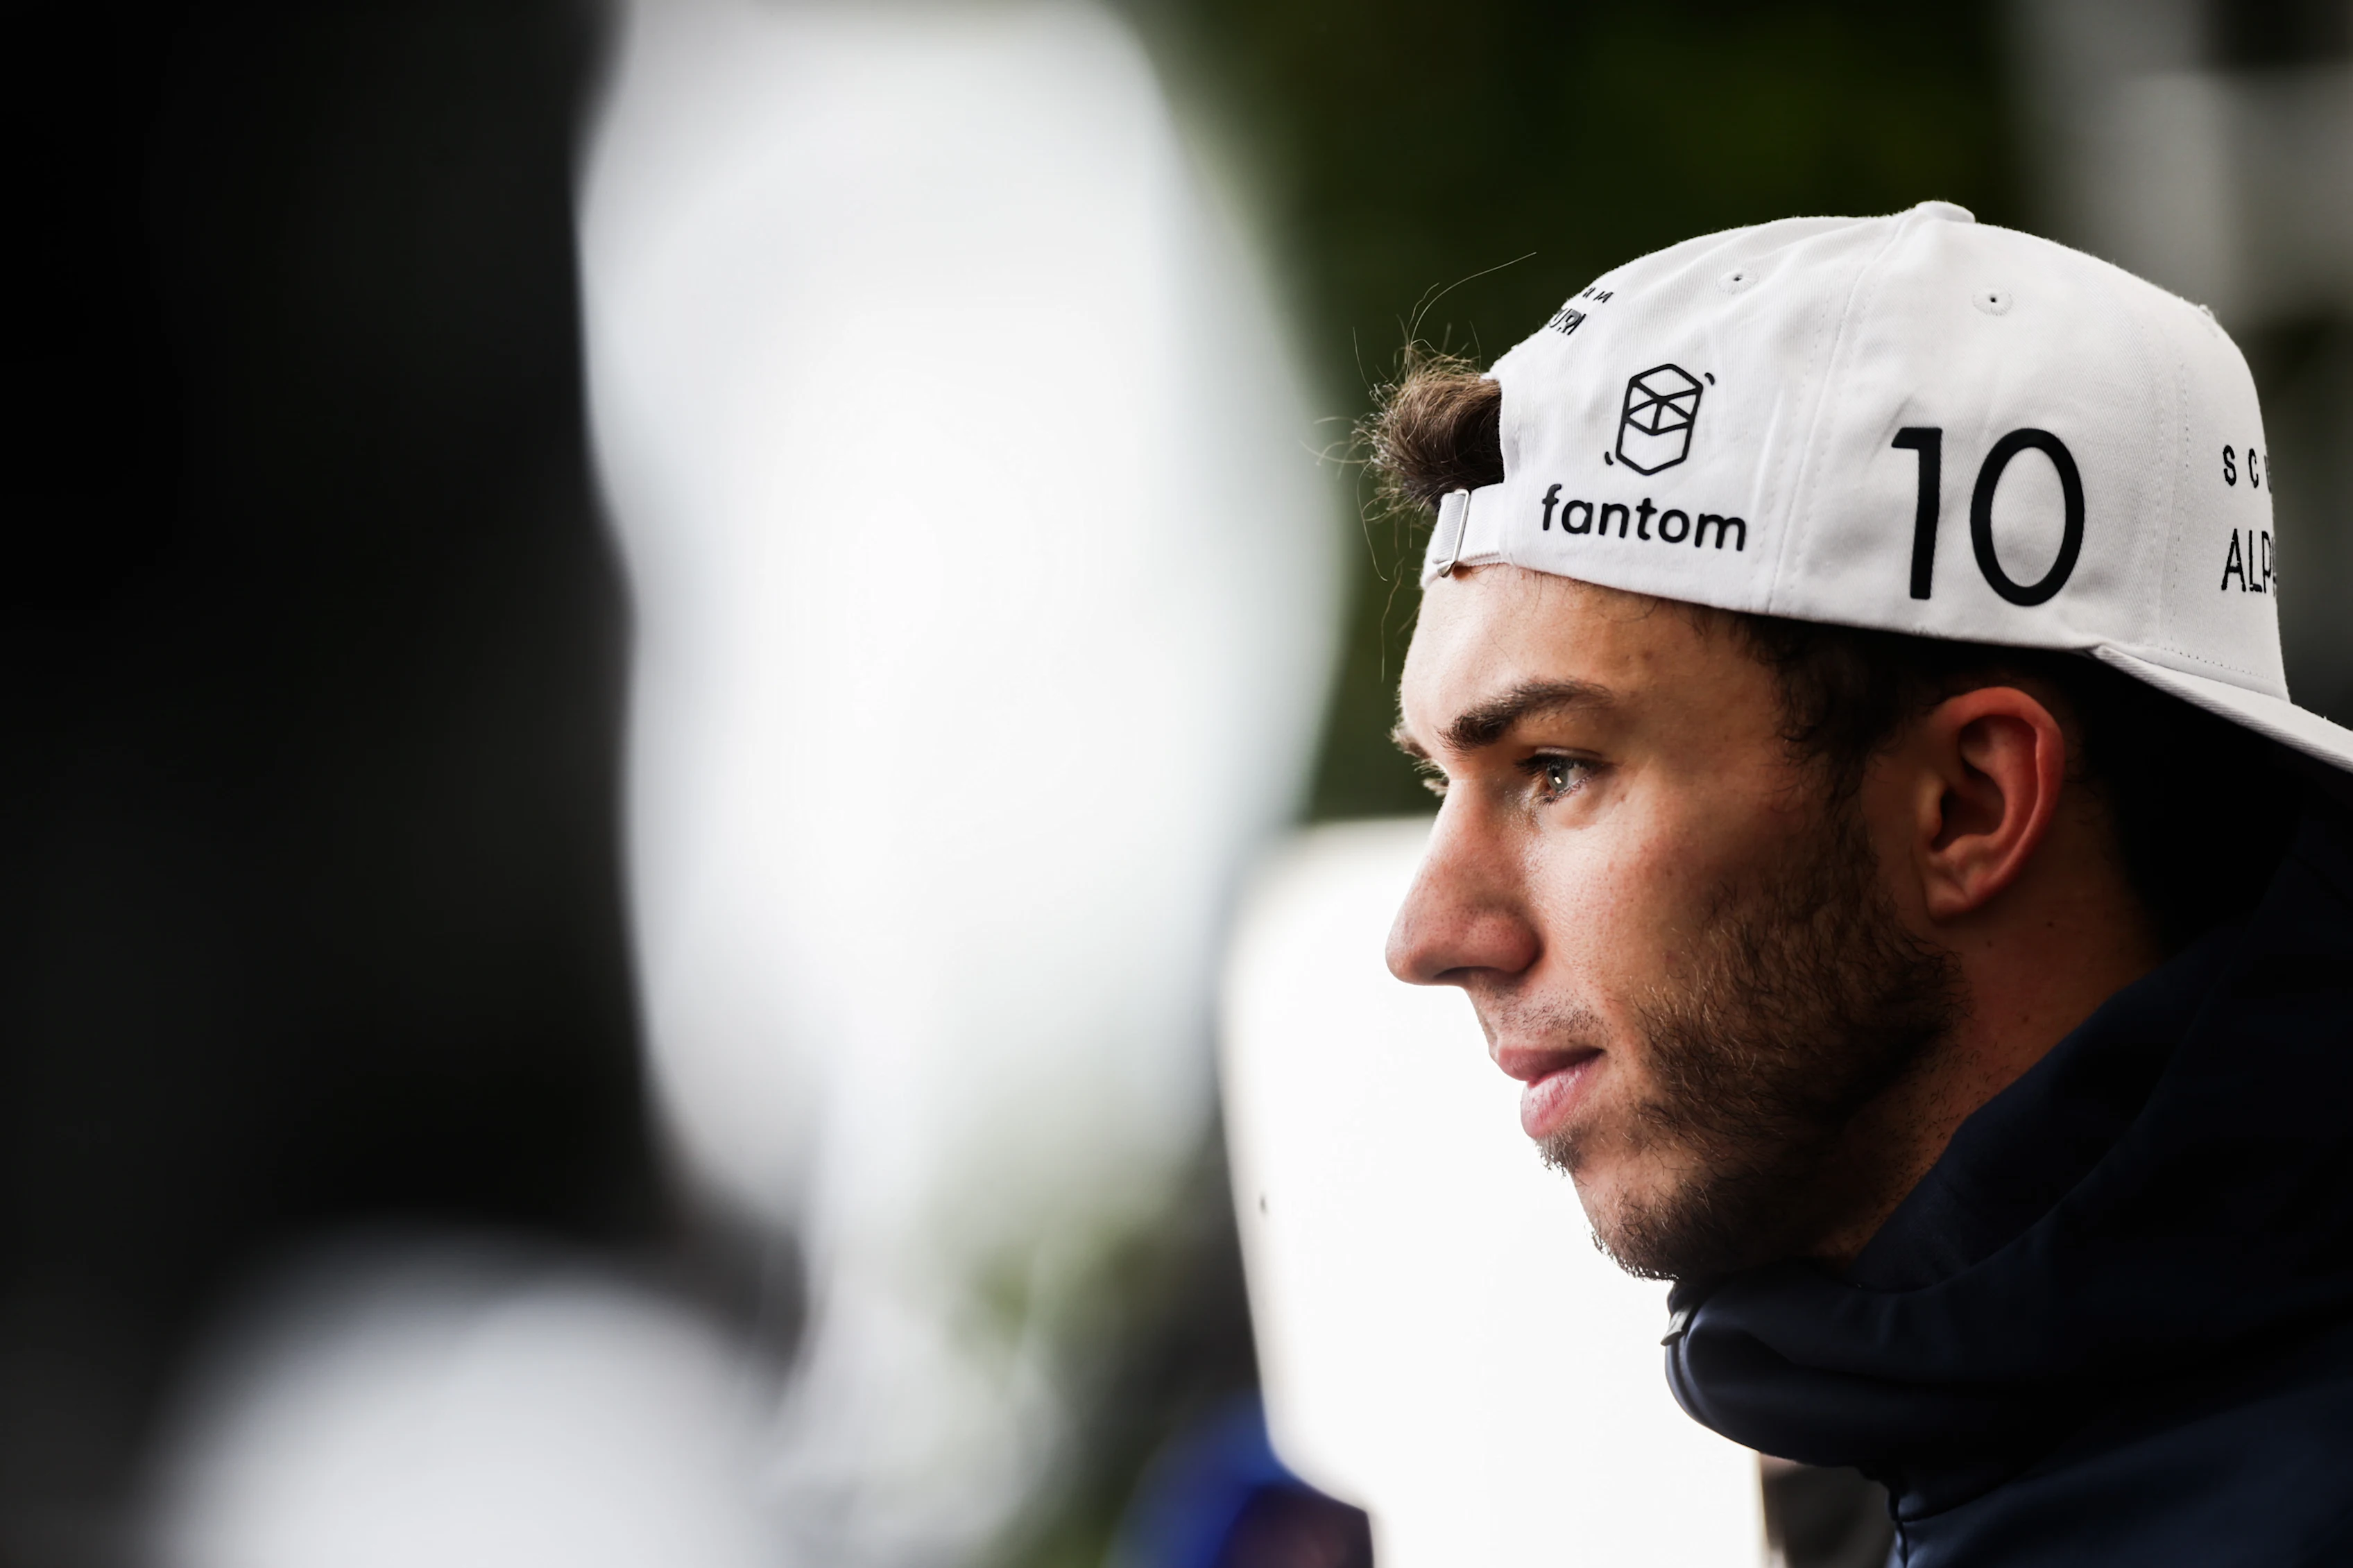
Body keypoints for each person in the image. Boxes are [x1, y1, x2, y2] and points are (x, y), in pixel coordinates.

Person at [1378, 202, 2353, 1567]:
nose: (1428, 934)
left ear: (1968, 804)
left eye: (1555, 766)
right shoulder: (1895, 1445)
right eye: (1440, 779)